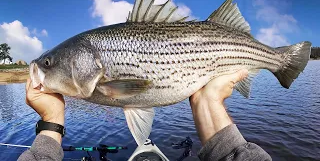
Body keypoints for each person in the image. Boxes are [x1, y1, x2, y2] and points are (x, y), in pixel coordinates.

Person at [18, 69, 272, 161]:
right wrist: (210, 103)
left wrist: (51, 120)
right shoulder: (102, 86)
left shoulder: (106, 86)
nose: (42, 69)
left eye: (50, 63)